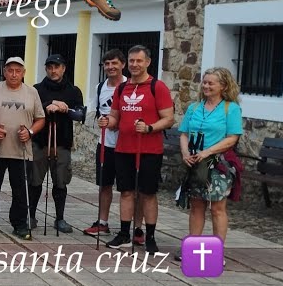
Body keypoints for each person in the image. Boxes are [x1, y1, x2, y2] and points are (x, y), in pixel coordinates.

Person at [99, 45, 174, 256]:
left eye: (139, 61)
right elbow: (115, 117)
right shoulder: (121, 88)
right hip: (124, 148)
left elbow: (169, 118)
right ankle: (124, 233)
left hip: (149, 149)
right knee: (126, 192)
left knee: (148, 193)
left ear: (148, 62)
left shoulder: (157, 87)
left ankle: (149, 236)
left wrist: (150, 128)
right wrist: (106, 121)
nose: (134, 64)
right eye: (131, 61)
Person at [176, 67, 244, 261]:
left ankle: (216, 252)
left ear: (223, 86)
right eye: (204, 82)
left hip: (218, 163)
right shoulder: (194, 108)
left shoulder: (230, 109)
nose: (206, 86)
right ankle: (193, 247)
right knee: (197, 206)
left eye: (210, 83)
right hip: (196, 163)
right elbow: (184, 133)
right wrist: (185, 152)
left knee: (217, 208)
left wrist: (208, 151)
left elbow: (232, 138)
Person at [0, 57, 45, 240]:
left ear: (23, 73)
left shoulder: (32, 92)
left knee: (21, 189)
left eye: (18, 70)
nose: (14, 74)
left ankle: (20, 224)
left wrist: (30, 132)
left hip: (22, 149)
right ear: (4, 71)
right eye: (10, 70)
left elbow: (41, 118)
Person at [83, 49, 144, 240]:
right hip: (106, 143)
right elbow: (94, 112)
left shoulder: (131, 86)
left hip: (128, 145)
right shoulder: (100, 87)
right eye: (107, 64)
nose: (110, 67)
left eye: (114, 63)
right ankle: (102, 222)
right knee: (104, 185)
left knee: (132, 188)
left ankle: (137, 228)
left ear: (123, 64)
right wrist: (100, 120)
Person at [31, 54, 85, 233]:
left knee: (60, 182)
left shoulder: (73, 90)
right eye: (50, 67)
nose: (53, 71)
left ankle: (60, 218)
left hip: (61, 143)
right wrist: (50, 103)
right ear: (46, 69)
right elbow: (31, 109)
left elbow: (79, 114)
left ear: (63, 68)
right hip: (40, 142)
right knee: (35, 181)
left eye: (57, 67)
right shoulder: (37, 89)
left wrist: (65, 108)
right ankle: (31, 216)